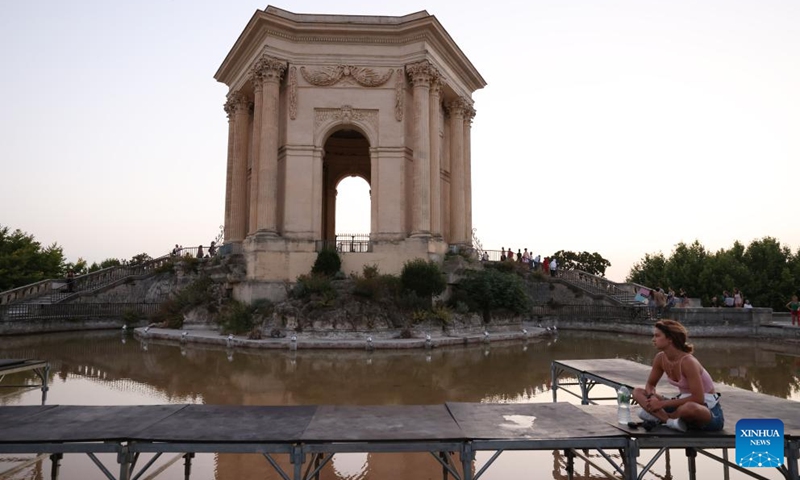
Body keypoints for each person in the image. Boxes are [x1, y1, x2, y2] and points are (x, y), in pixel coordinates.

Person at [632, 319, 724, 432]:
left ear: (670, 339)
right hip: (681, 403)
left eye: (657, 336)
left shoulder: (688, 362)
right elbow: (650, 384)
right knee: (638, 392)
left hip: (706, 411)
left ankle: (660, 417)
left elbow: (698, 399)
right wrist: (652, 397)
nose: (653, 339)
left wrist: (661, 404)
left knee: (690, 408)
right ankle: (669, 421)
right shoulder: (660, 358)